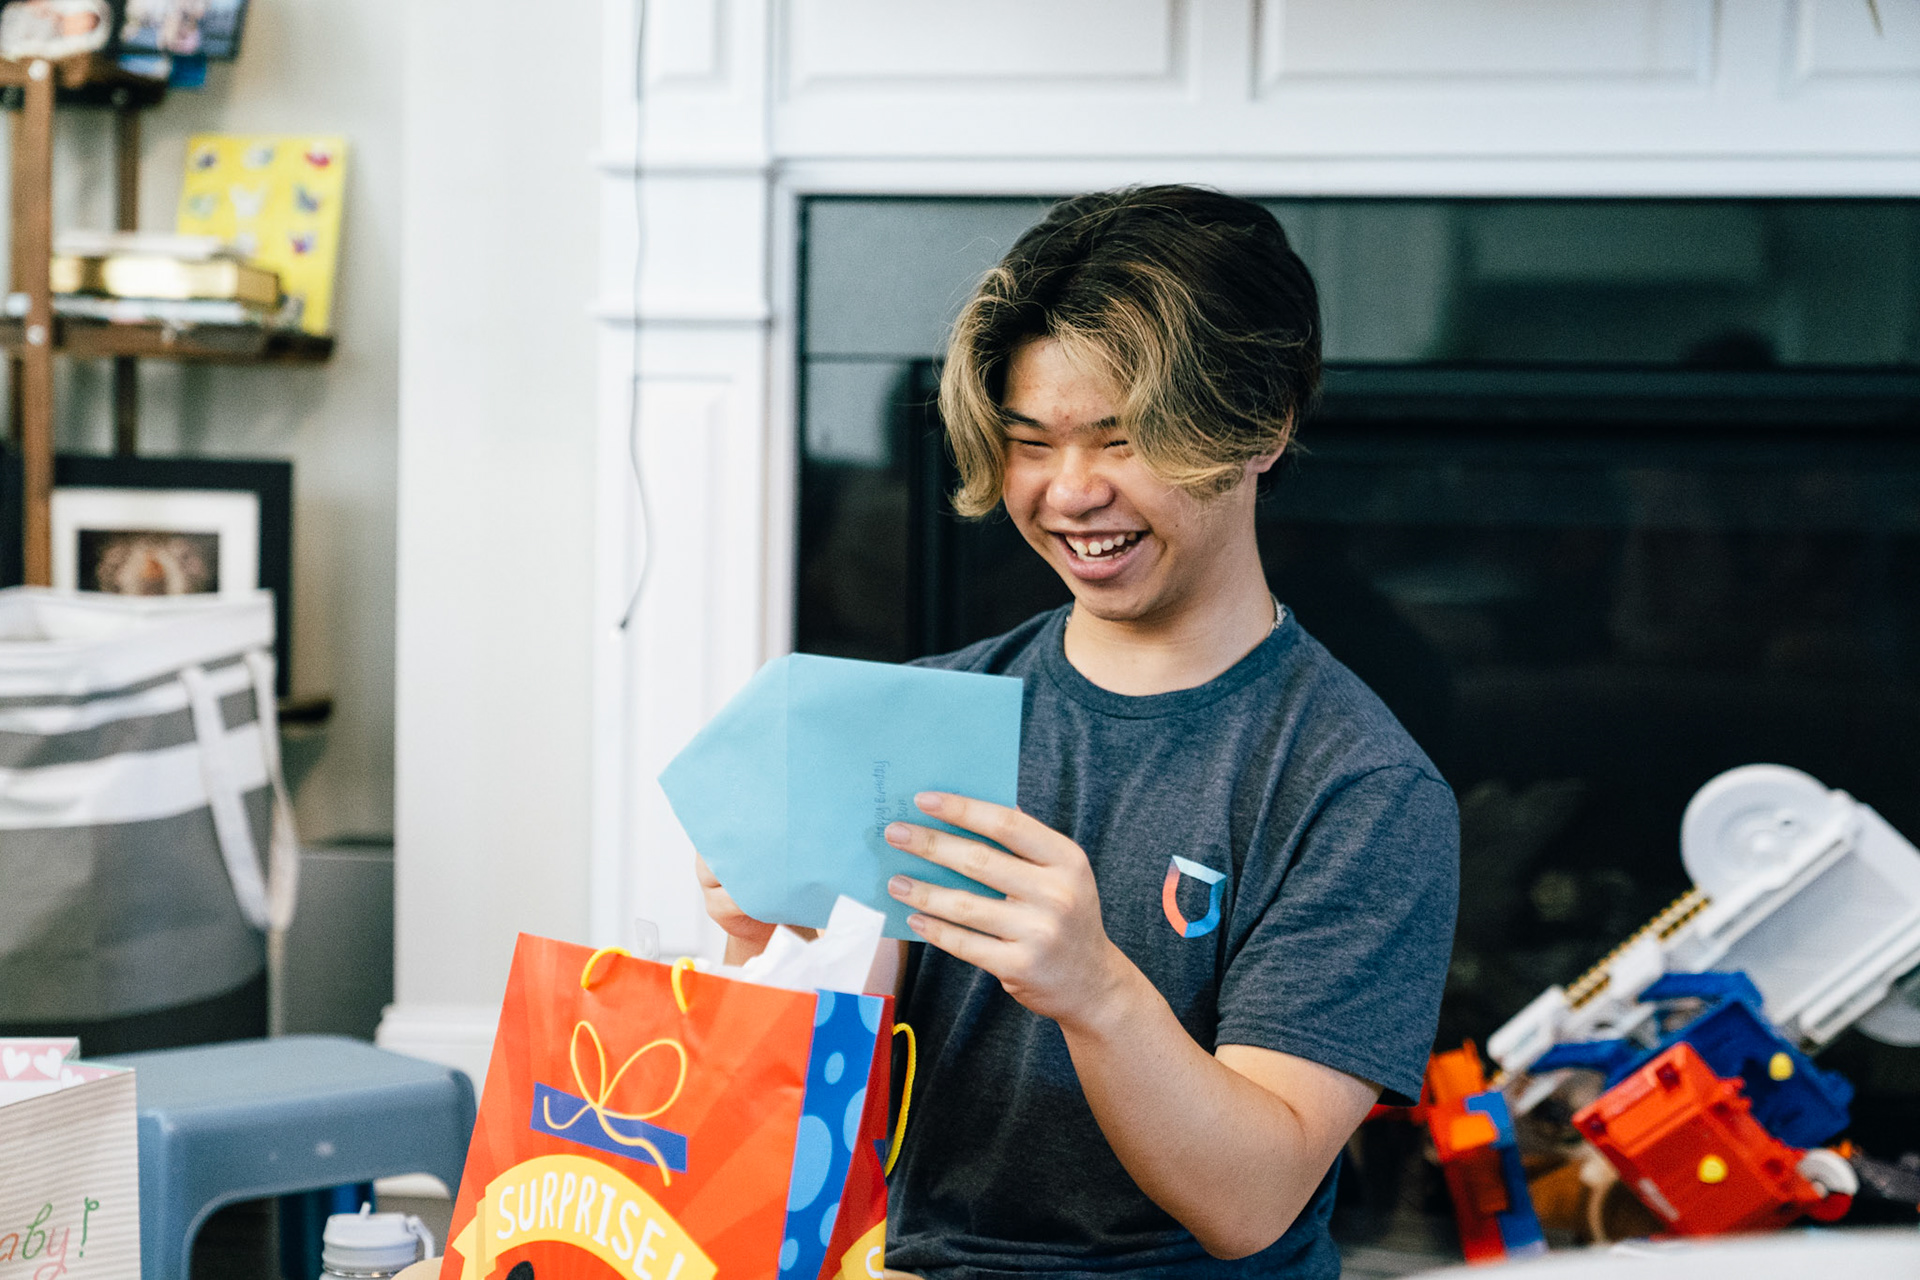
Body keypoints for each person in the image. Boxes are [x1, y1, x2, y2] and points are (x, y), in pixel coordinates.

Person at [697, 185, 1458, 1278]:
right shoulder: (922, 715)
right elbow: (785, 1135)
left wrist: (1092, 986)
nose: (1070, 493)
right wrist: (762, 947)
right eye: (1030, 444)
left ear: (1262, 425)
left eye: (1125, 439)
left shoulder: (1359, 785)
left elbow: (1251, 1200)